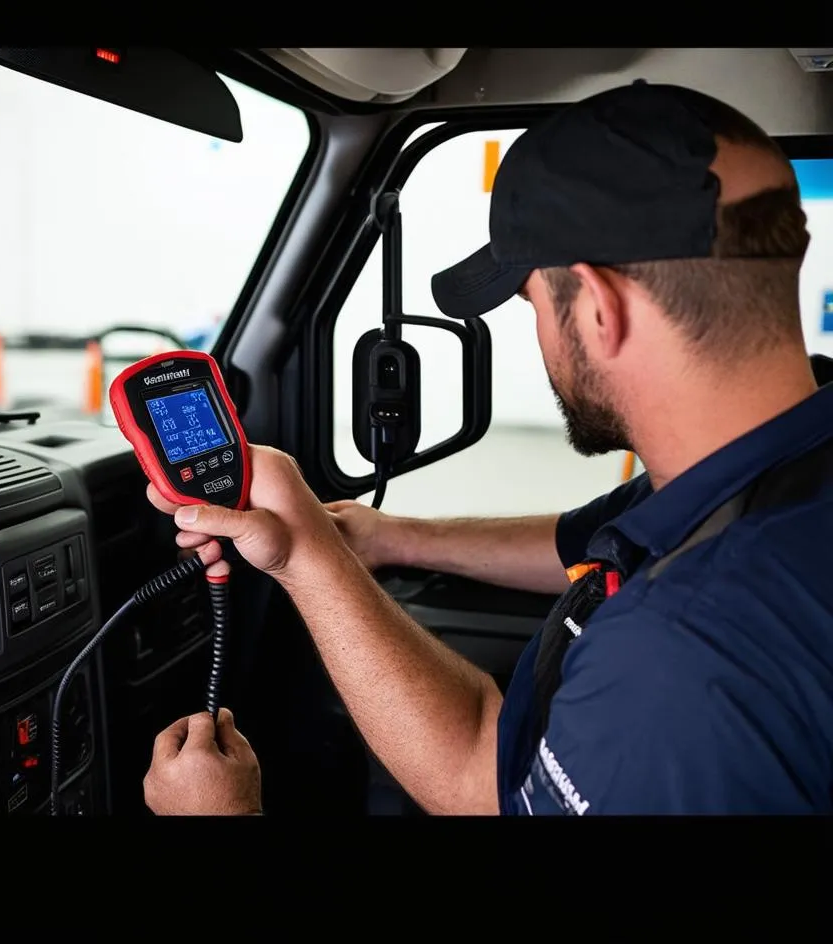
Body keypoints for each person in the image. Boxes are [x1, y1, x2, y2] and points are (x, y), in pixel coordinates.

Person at [141, 80, 833, 816]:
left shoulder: (679, 661)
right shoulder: (760, 459)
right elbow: (580, 547)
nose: (536, 334)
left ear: (600, 310)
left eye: (532, 302)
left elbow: (483, 779)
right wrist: (354, 543)